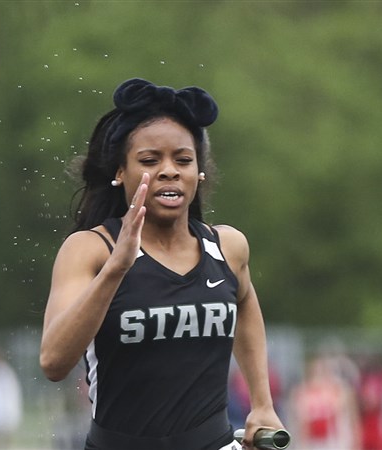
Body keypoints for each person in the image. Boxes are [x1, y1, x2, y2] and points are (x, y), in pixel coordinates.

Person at [40, 78, 285, 450]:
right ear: (120, 172)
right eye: (150, 160)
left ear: (198, 172)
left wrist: (262, 404)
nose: (169, 171)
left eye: (183, 160)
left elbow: (245, 303)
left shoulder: (228, 247)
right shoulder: (91, 250)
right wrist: (115, 270)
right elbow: (54, 362)